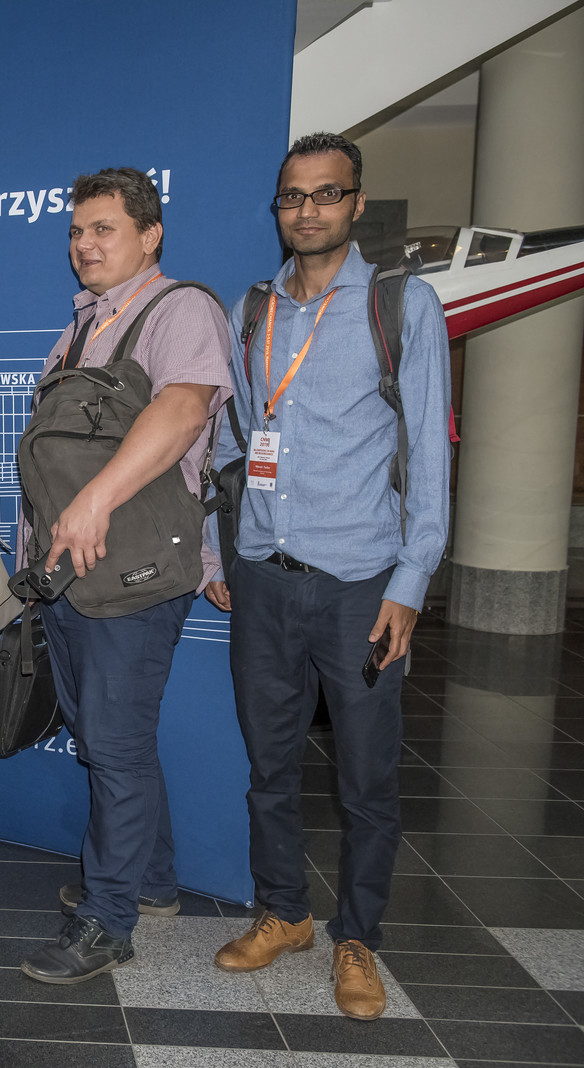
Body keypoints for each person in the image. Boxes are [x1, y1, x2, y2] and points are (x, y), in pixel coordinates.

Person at [205, 133, 451, 1020]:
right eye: (292, 196)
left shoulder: (402, 305)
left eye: (326, 194)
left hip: (360, 586)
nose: (307, 210)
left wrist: (410, 584)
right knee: (269, 765)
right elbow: (234, 439)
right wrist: (219, 552)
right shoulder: (253, 308)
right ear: (277, 207)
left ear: (356, 203)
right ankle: (285, 912)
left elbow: (430, 454)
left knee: (366, 779)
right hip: (264, 578)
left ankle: (358, 939)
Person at [16, 168, 233, 983]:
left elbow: (182, 412)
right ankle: (150, 881)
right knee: (112, 740)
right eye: (77, 231)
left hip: (135, 575)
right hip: (71, 573)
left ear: (151, 235)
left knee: (113, 744)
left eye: (104, 228)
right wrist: (34, 558)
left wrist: (94, 504)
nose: (85, 243)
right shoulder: (80, 327)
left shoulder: (180, 310)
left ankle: (109, 922)